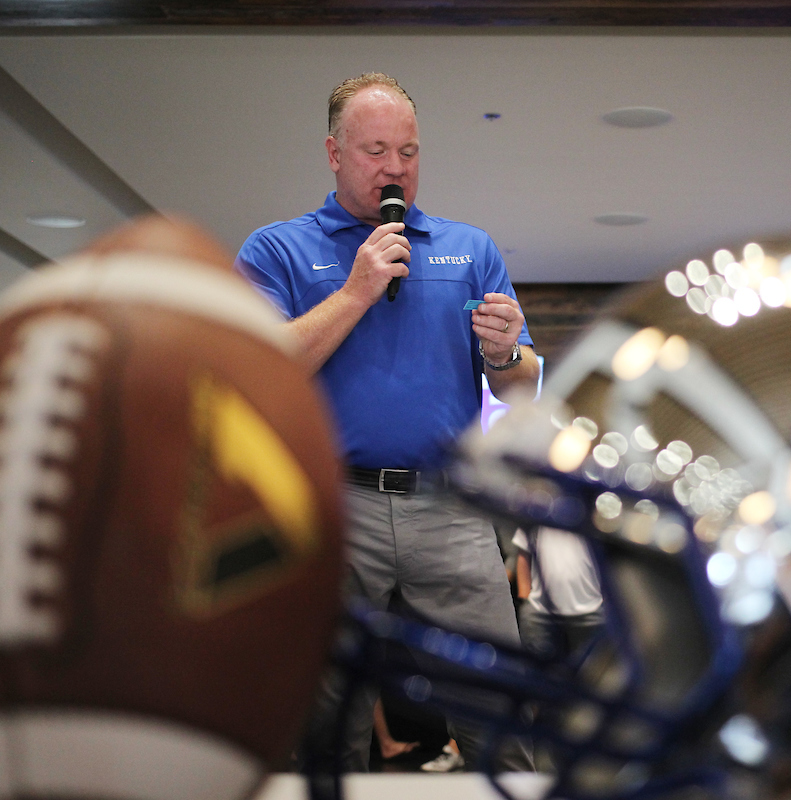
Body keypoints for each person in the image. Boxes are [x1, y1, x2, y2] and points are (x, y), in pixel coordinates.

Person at [236, 72, 539, 773]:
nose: (396, 168)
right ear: (334, 153)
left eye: (408, 150)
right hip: (331, 507)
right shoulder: (275, 250)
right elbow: (262, 370)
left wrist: (504, 353)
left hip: (452, 505)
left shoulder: (471, 248)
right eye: (376, 150)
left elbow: (521, 383)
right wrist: (355, 290)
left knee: (499, 705)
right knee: (319, 713)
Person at [513, 526, 605, 659]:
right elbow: (523, 553)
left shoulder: (595, 514)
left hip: (592, 613)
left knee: (594, 676)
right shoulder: (536, 511)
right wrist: (524, 598)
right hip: (541, 615)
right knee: (539, 675)